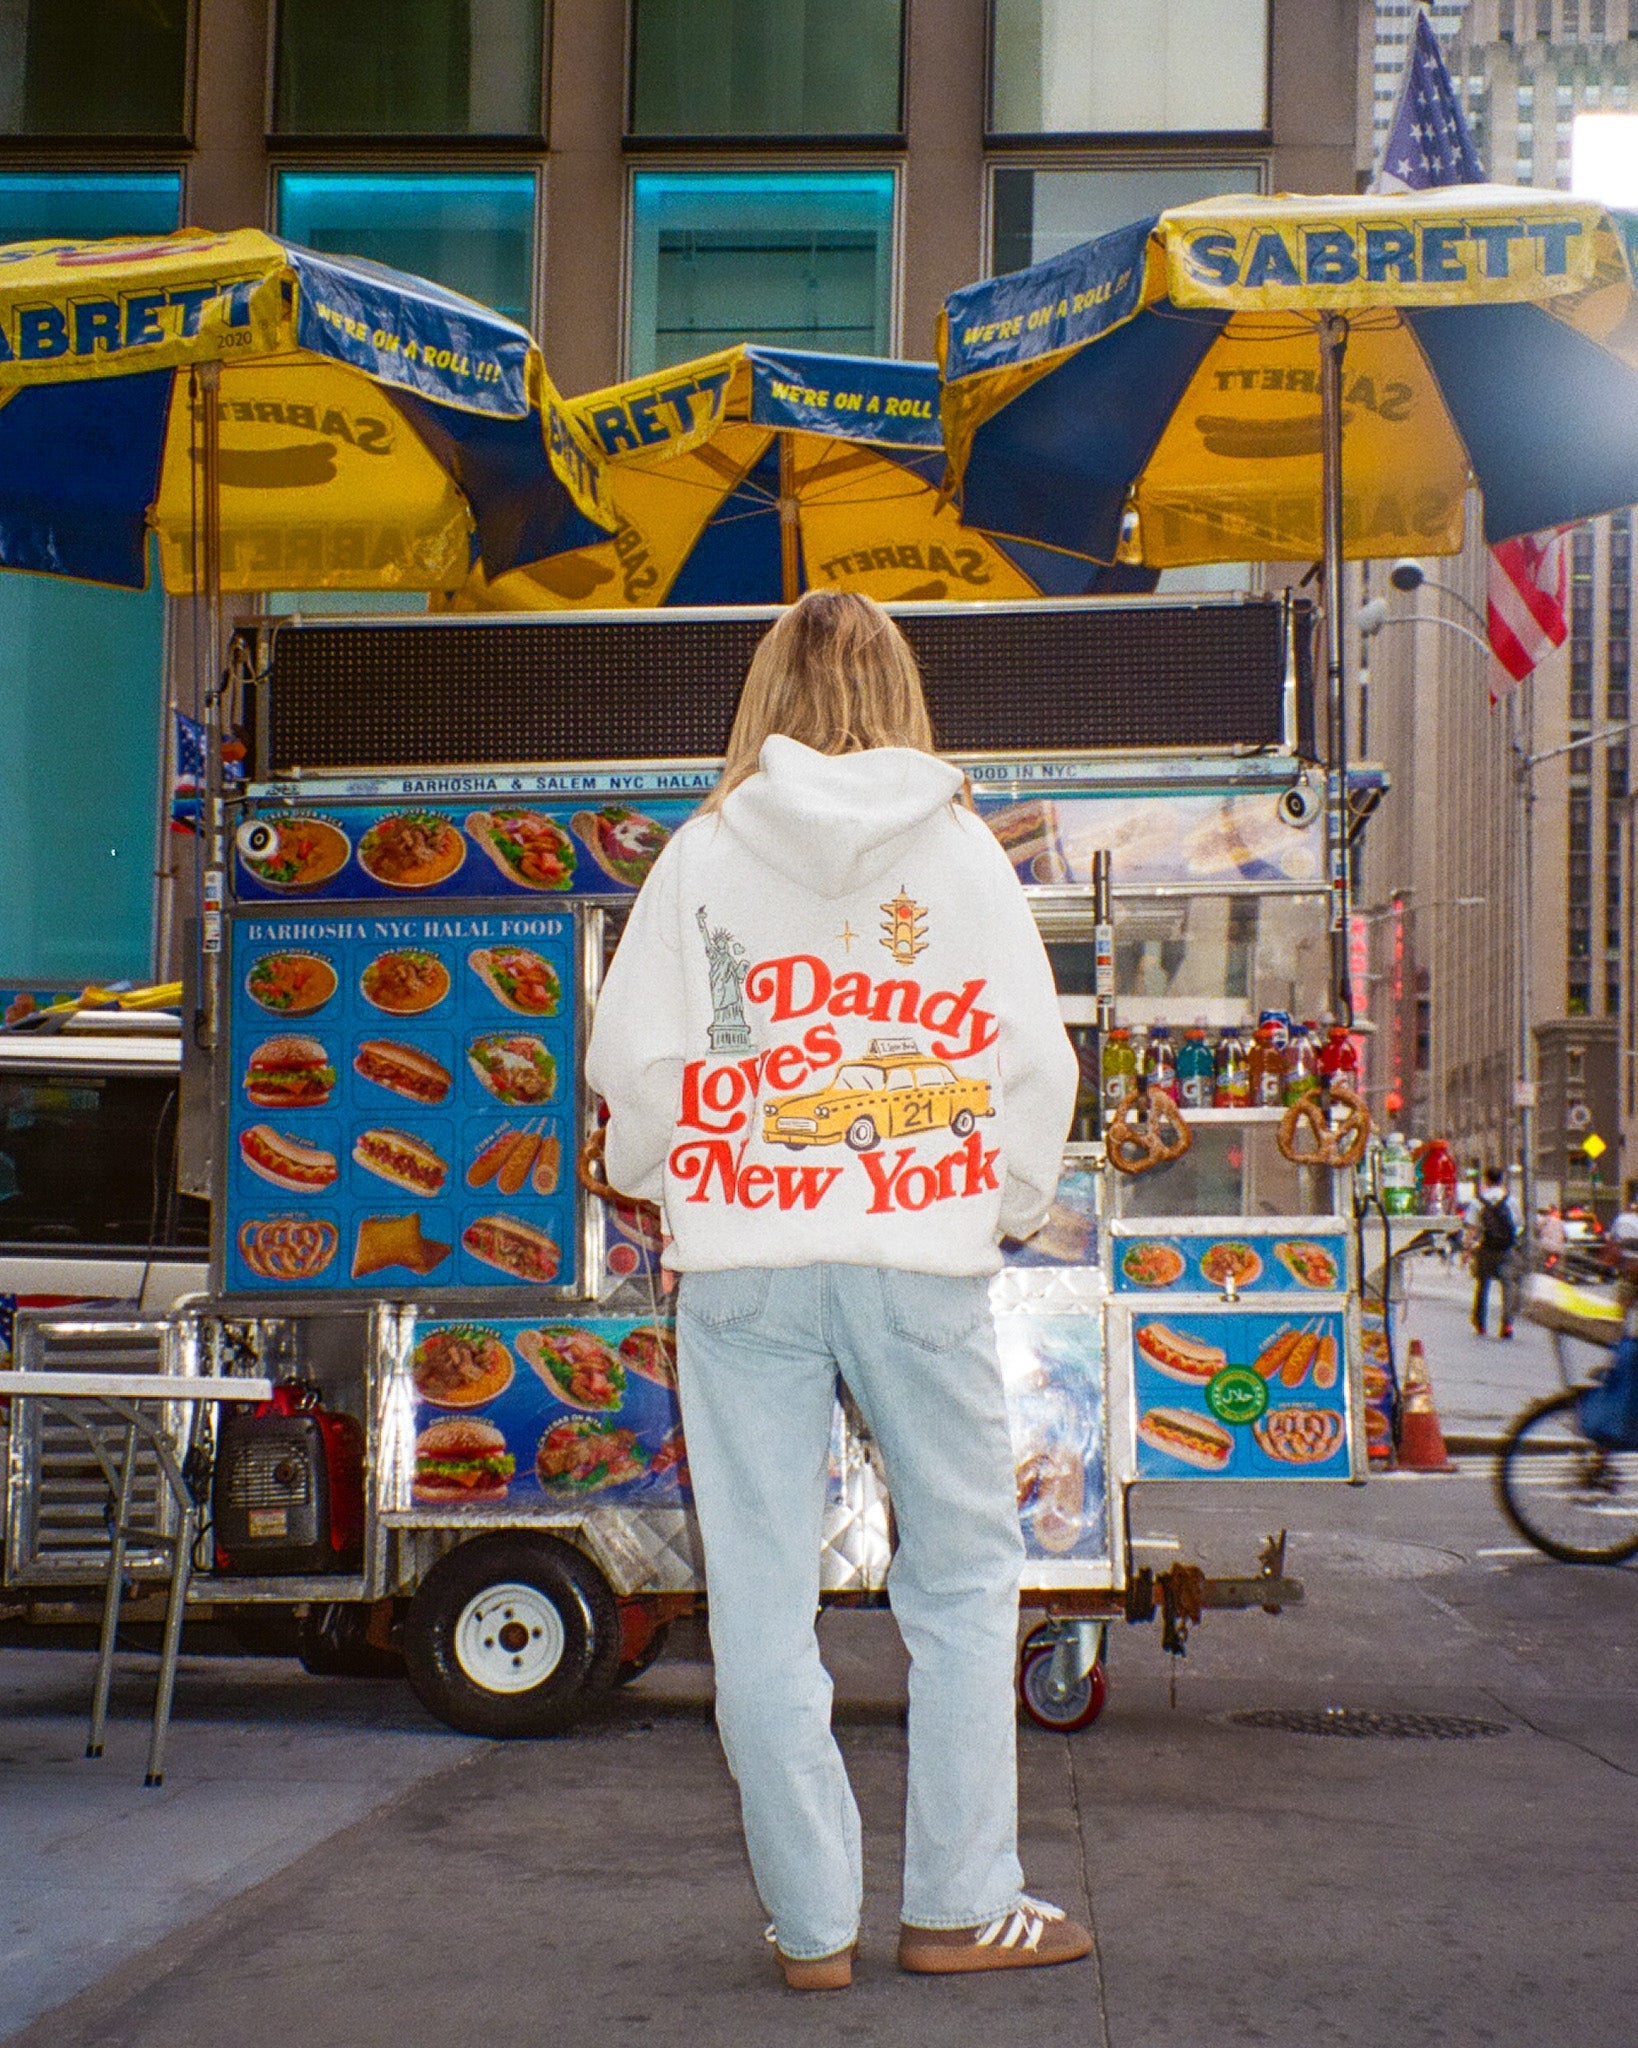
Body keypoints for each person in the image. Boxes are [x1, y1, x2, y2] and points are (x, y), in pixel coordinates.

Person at [586, 590, 1089, 1993]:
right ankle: (957, 1902)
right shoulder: (964, 854)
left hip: (742, 1262)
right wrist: (987, 1206)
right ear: (901, 689)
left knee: (757, 1593)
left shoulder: (696, 855)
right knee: (963, 1576)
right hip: (915, 1258)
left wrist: (663, 1171)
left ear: (761, 694)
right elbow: (1031, 1067)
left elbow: (633, 1074)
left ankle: (810, 1925)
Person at [1465, 1166, 1521, 1338]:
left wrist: (1467, 1250)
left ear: (1486, 1180)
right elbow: (1518, 1223)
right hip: (1506, 1249)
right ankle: (1507, 1325)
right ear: (1501, 1180)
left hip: (1486, 1248)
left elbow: (1472, 1229)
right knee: (1508, 1286)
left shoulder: (1477, 1202)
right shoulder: (1511, 1200)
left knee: (1482, 1285)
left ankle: (1480, 1323)